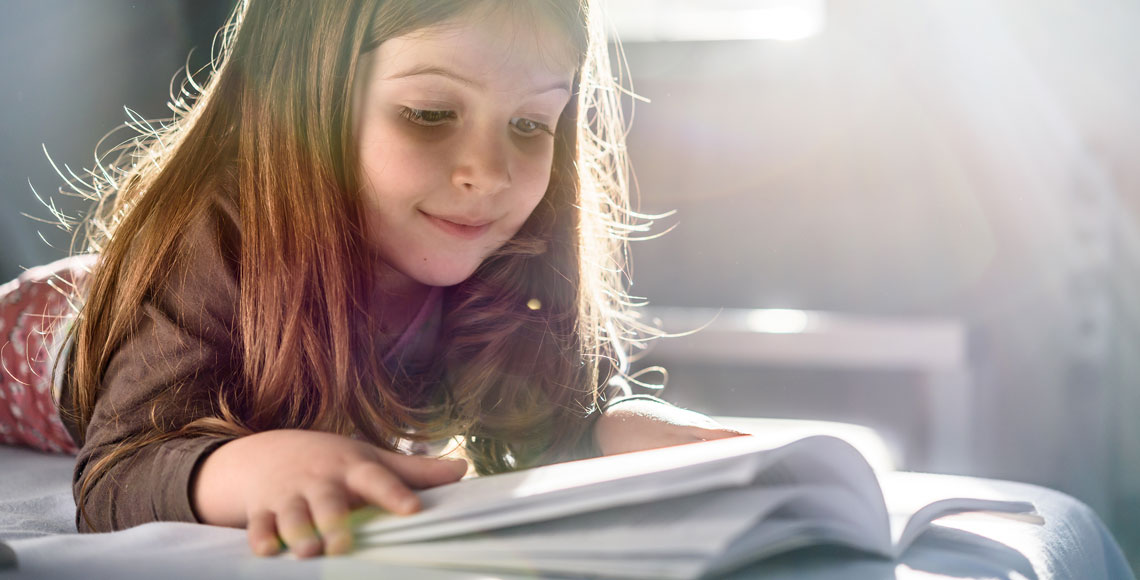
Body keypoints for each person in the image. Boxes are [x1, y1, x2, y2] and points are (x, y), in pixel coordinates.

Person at [0, 0, 742, 560]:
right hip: (51, 320)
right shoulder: (213, 239)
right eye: (427, 113)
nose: (489, 175)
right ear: (305, 104)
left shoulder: (503, 250)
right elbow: (117, 470)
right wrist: (242, 467)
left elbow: (553, 409)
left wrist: (619, 425)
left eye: (529, 125)